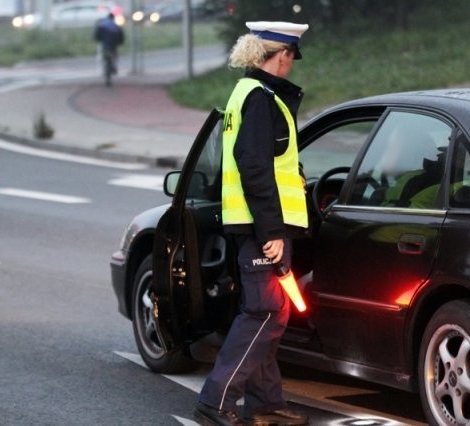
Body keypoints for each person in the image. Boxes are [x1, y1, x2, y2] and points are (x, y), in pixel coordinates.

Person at [194, 21, 310, 426]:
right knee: (264, 313)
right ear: (282, 55)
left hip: (251, 223)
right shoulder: (260, 98)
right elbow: (254, 166)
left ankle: (265, 401)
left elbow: (265, 162)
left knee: (268, 312)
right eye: (292, 56)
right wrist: (272, 232)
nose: (291, 64)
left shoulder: (245, 93)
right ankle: (216, 399)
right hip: (261, 227)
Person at [93, 13, 124, 86]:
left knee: (105, 59)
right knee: (115, 56)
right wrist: (120, 43)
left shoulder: (102, 25)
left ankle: (107, 74)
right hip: (113, 45)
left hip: (105, 45)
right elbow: (121, 37)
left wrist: (99, 40)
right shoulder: (116, 26)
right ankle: (113, 67)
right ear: (113, 18)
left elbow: (97, 36)